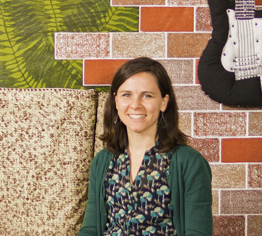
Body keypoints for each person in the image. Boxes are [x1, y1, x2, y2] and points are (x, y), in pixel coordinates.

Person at [79, 57, 213, 236]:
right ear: (116, 101)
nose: (135, 105)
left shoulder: (190, 162)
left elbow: (198, 232)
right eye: (126, 95)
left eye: (147, 95)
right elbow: (90, 229)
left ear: (164, 102)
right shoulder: (102, 161)